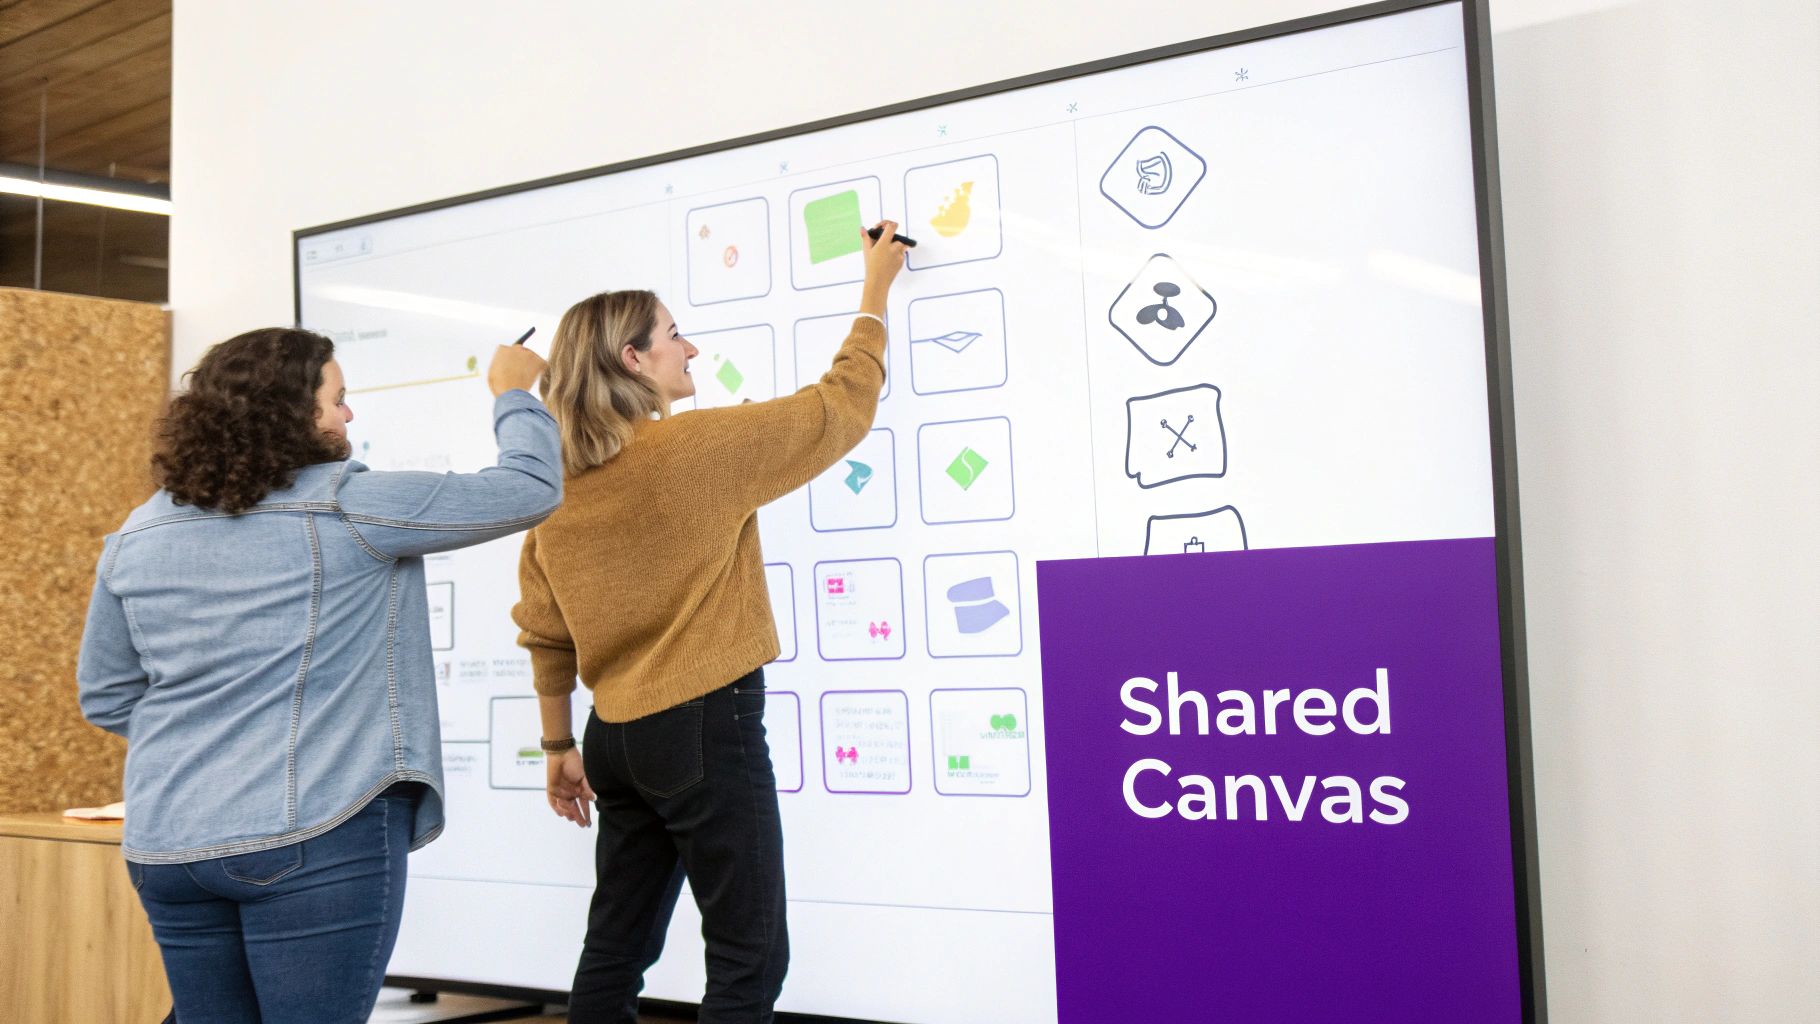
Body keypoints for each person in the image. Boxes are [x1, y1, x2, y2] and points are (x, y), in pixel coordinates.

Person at [76, 327, 561, 1023]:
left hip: (171, 848)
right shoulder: (347, 506)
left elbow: (107, 694)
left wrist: (210, 738)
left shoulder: (139, 533)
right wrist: (514, 391)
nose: (349, 416)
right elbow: (528, 488)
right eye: (338, 400)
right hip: (311, 836)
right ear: (292, 413)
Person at [513, 221, 910, 1022]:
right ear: (633, 361)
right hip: (702, 726)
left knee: (615, 949)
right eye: (673, 335)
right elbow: (839, 408)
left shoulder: (555, 489)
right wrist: (875, 290)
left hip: (613, 740)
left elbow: (546, 632)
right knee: (747, 956)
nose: (689, 350)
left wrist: (558, 745)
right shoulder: (693, 449)